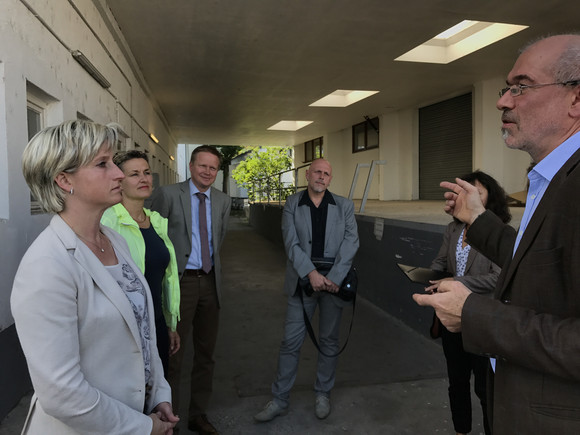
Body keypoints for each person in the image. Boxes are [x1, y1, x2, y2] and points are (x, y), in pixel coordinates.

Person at [413, 34, 580, 434]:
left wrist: (473, 313)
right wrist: (478, 219)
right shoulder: (553, 177)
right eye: (508, 88)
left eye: (521, 87)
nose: (503, 100)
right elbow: (537, 261)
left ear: (576, 99)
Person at [10, 120, 178, 434]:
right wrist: (143, 427)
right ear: (63, 179)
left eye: (114, 161)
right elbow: (62, 394)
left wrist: (159, 394)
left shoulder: (114, 240)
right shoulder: (47, 265)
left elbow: (141, 328)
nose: (117, 173)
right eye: (103, 163)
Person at [254, 158, 359, 423]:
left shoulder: (344, 205)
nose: (321, 177)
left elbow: (351, 243)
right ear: (307, 175)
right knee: (290, 342)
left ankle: (323, 393)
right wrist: (310, 273)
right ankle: (280, 399)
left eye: (326, 173)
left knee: (329, 341)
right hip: (302, 283)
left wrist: (334, 277)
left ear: (330, 179)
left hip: (333, 285)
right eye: (317, 172)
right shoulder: (292, 204)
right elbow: (290, 242)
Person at [149, 145, 231, 435]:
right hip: (179, 283)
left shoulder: (222, 200)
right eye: (203, 166)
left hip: (210, 282)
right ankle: (168, 419)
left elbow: (218, 239)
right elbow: (153, 237)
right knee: (174, 354)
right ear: (191, 166)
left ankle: (198, 415)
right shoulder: (168, 195)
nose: (208, 172)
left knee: (206, 354)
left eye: (213, 168)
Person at [426, 171, 511, 435]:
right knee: (457, 383)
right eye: (465, 192)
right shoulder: (453, 228)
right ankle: (461, 430)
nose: (470, 198)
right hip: (451, 319)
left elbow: (499, 278)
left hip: (482, 320)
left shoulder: (498, 232)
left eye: (478, 192)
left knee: (485, 389)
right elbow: (441, 262)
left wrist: (456, 282)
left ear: (490, 198)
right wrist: (429, 276)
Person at [101, 150, 181, 375]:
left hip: (157, 324)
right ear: (120, 181)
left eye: (146, 172)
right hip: (124, 330)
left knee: (159, 393)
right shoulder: (107, 222)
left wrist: (170, 324)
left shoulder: (156, 221)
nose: (144, 178)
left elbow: (166, 279)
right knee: (135, 397)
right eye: (134, 174)